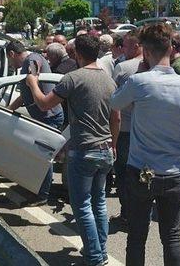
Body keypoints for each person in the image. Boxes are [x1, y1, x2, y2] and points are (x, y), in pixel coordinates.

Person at [111, 23, 180, 266]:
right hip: (173, 172)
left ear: (146, 52)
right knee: (172, 236)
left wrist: (140, 72)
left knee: (137, 236)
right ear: (171, 49)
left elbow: (115, 103)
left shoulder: (139, 82)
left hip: (140, 172)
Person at [26, 34, 119, 266]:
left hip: (83, 150)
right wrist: (114, 144)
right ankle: (101, 251)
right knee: (99, 203)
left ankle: (95, 257)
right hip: (106, 149)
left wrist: (32, 83)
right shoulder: (109, 80)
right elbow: (116, 117)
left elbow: (44, 104)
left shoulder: (72, 78)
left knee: (83, 205)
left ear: (77, 53)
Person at [6, 41, 64, 202]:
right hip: (46, 115)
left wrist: (32, 76)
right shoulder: (29, 61)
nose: (11, 64)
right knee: (40, 154)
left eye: (9, 60)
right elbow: (25, 94)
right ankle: (40, 188)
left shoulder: (31, 60)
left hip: (49, 116)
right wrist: (9, 109)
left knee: (43, 156)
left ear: (12, 54)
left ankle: (42, 194)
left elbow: (34, 73)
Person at [110, 29, 144, 226]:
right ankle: (141, 213)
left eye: (126, 45)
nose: (123, 49)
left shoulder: (122, 68)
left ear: (136, 45)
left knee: (123, 174)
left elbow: (113, 102)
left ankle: (127, 214)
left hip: (125, 130)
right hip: (146, 130)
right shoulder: (152, 67)